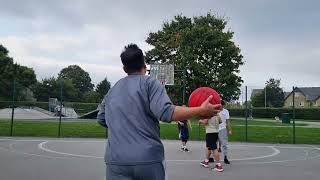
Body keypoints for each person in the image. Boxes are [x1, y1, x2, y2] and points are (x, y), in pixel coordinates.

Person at [97, 44, 220, 180]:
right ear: (144, 66)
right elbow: (166, 112)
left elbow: (101, 118)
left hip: (116, 160)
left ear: (124, 68)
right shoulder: (149, 83)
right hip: (147, 158)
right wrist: (200, 110)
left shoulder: (113, 90)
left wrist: (124, 124)